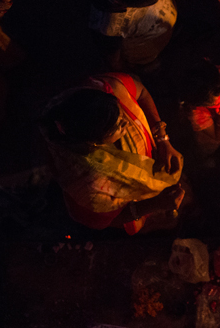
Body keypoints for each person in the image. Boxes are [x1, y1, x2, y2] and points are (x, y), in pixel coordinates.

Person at [40, 73, 185, 234]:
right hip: (135, 203)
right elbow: (104, 221)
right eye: (119, 127)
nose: (126, 121)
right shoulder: (89, 182)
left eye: (121, 112)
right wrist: (156, 204)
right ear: (95, 143)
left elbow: (141, 92)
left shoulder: (105, 90)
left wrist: (162, 138)